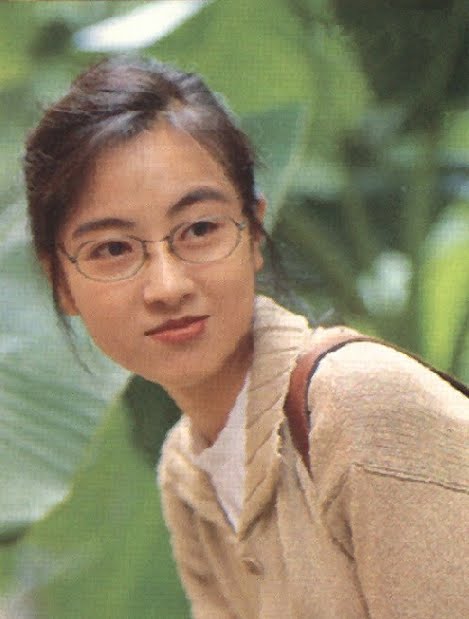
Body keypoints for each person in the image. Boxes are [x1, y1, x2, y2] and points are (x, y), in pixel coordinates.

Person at [24, 56, 469, 619]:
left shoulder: (359, 407)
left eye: (200, 229)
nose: (168, 286)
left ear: (254, 231)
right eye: (112, 249)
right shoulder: (189, 472)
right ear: (60, 282)